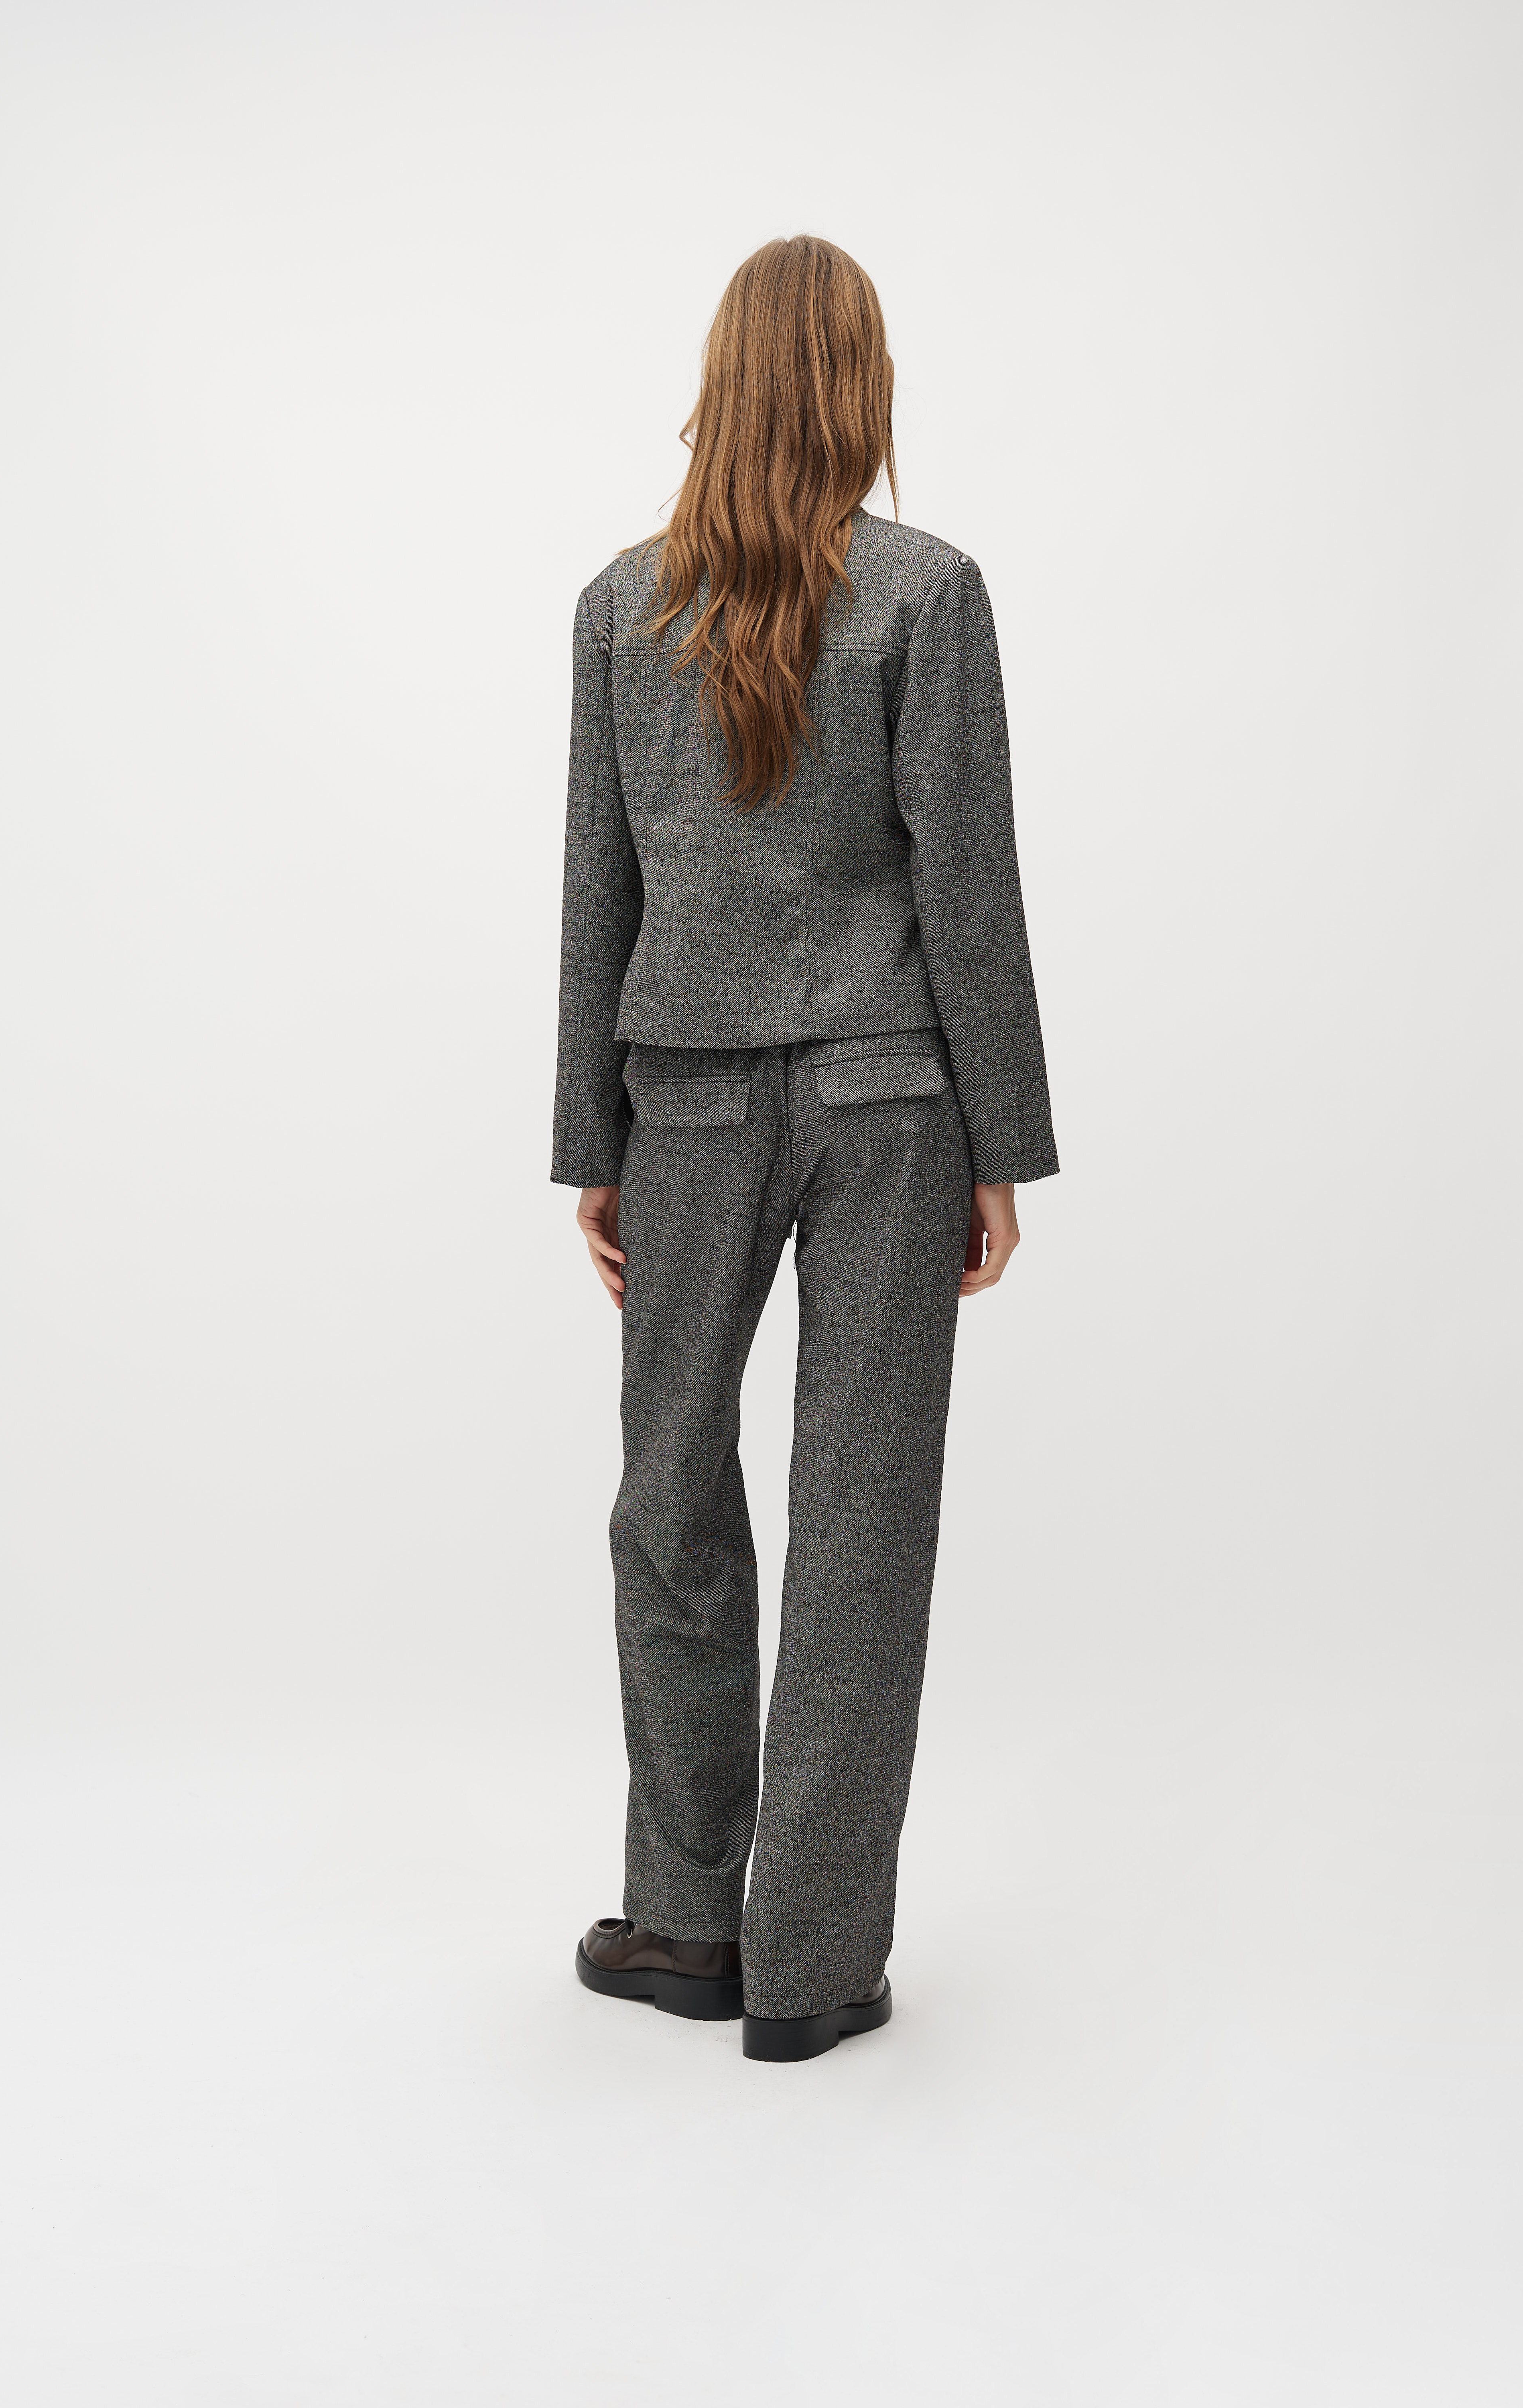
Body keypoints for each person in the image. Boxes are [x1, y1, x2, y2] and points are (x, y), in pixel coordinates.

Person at [551, 234, 1058, 2063]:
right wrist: (1002, 1142)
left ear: (721, 380)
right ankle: (815, 1964)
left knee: (668, 1499)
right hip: (891, 1104)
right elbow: (968, 890)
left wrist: (590, 1140)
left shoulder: (622, 604)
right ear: (860, 387)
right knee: (862, 1516)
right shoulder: (929, 593)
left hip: (682, 1104)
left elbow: (596, 894)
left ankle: (688, 1921)